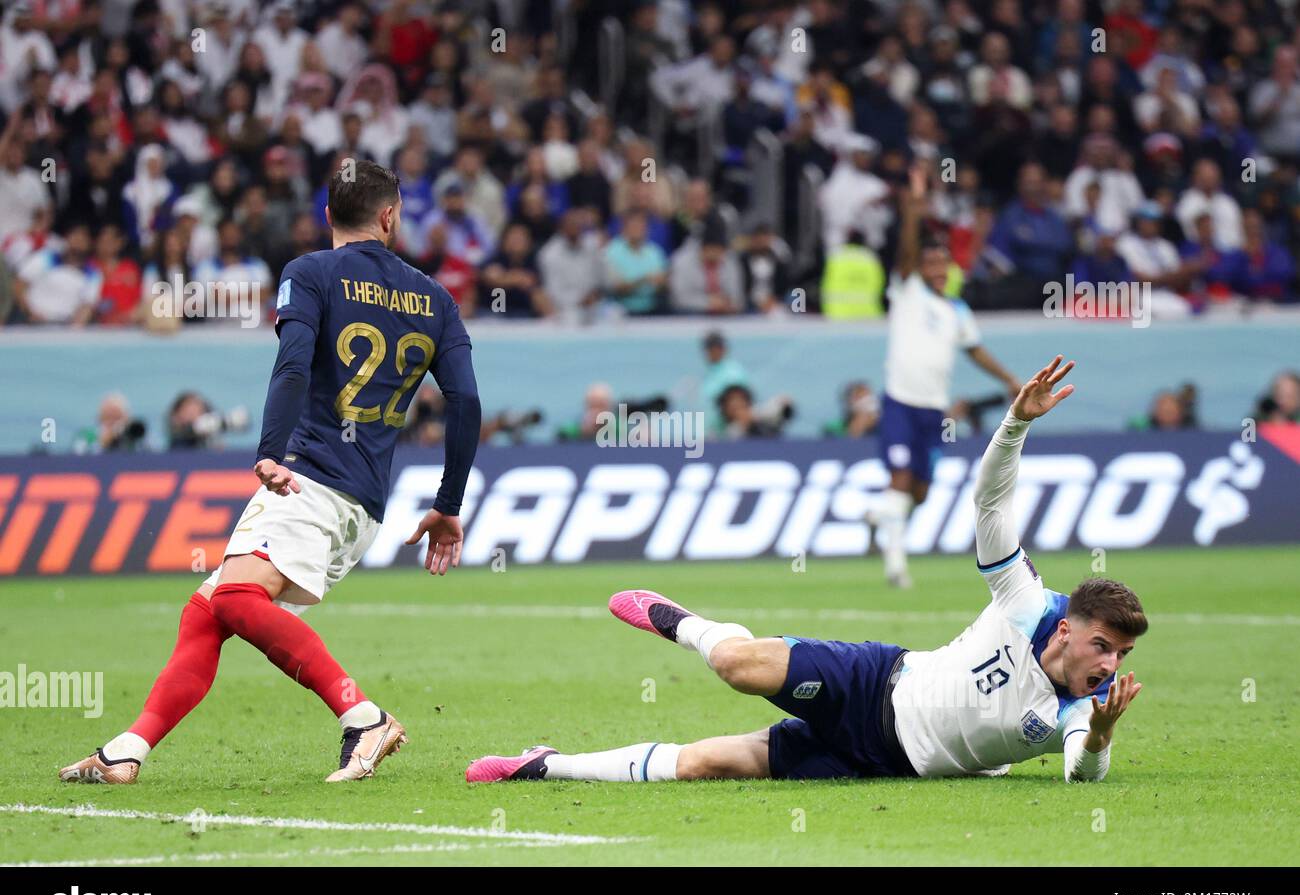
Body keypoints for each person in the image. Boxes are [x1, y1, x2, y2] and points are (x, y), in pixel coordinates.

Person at [468, 356, 1148, 786]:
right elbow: (991, 501)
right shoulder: (1025, 601)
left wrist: (1105, 733)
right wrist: (1014, 425)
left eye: (1120, 654)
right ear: (1069, 625)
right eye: (1104, 646)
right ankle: (685, 623)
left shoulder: (1086, 708)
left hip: (882, 764)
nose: (1110, 664)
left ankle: (541, 765)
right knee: (737, 667)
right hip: (874, 683)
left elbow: (1083, 774)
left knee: (708, 763)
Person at [60, 160, 482, 785]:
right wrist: (449, 502)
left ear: (327, 215)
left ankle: (362, 715)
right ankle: (129, 749)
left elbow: (290, 367)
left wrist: (269, 450)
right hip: (363, 501)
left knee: (233, 596)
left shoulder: (308, 273)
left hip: (308, 477)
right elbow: (466, 403)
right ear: (389, 216)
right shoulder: (437, 299)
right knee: (207, 611)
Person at [868, 164, 1019, 589]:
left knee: (918, 492)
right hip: (900, 401)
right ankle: (895, 564)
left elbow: (975, 350)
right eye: (929, 262)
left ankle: (880, 517)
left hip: (933, 410)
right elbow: (907, 251)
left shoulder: (957, 311)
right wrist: (914, 207)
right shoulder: (907, 291)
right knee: (899, 479)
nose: (935, 268)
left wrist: (1009, 378)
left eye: (942, 263)